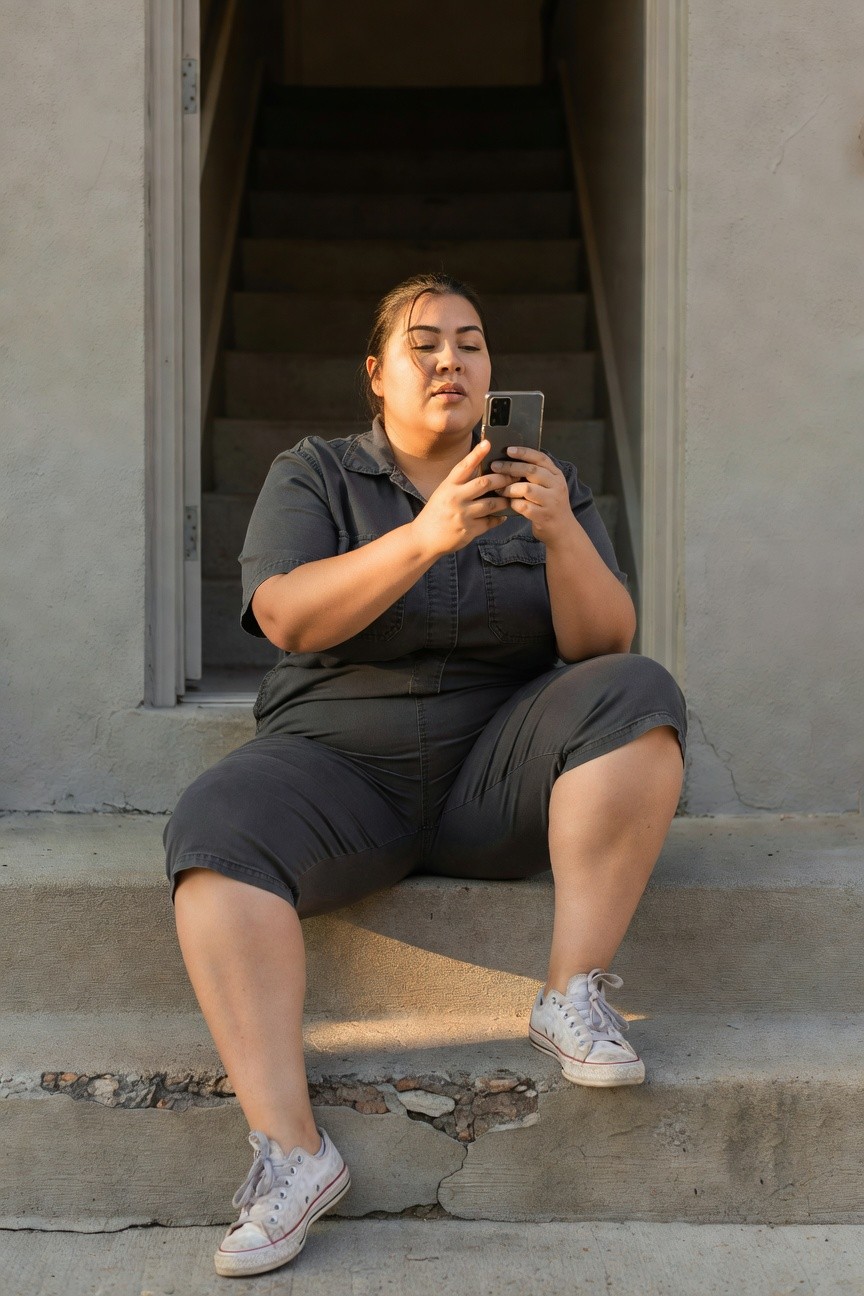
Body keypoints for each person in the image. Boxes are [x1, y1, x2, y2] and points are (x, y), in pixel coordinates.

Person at [164, 272, 687, 1278]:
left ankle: (570, 996)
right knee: (215, 831)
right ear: (378, 374)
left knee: (637, 691)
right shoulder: (315, 474)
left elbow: (602, 639)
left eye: (472, 343)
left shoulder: (547, 479)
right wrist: (426, 536)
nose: (451, 360)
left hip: (501, 766)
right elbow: (287, 617)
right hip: (337, 763)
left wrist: (562, 533)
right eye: (425, 343)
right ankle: (293, 1155)